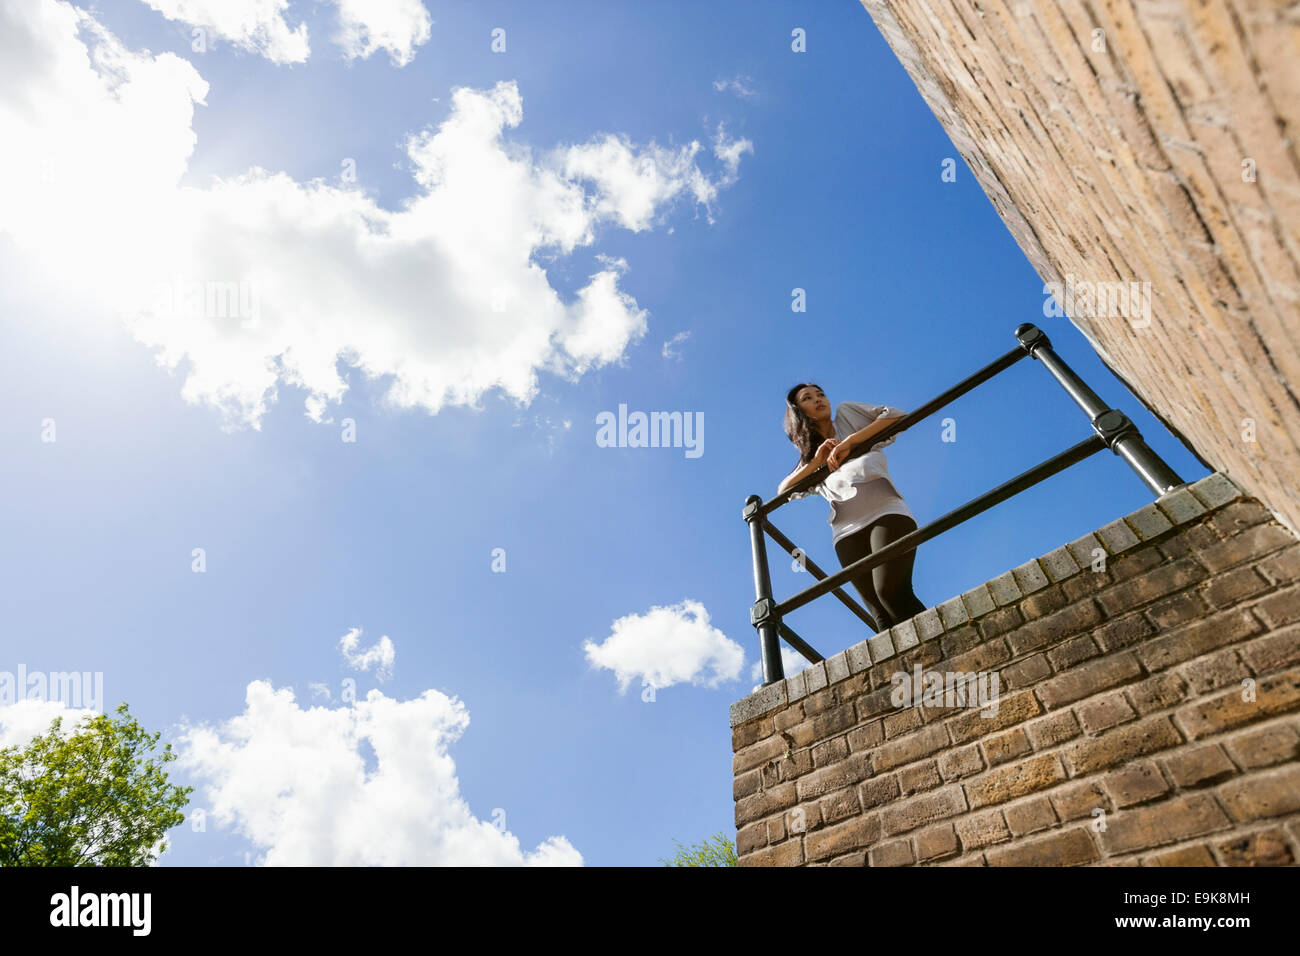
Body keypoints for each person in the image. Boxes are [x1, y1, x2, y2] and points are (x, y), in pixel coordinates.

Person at [777, 382, 927, 631]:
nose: (818, 399)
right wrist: (817, 463)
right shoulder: (810, 458)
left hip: (887, 513)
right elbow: (783, 491)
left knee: (890, 593)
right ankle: (913, 668)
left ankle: (952, 650)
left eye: (821, 394)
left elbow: (898, 416)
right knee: (880, 616)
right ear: (798, 411)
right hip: (846, 534)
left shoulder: (848, 415)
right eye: (808, 398)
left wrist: (850, 442)